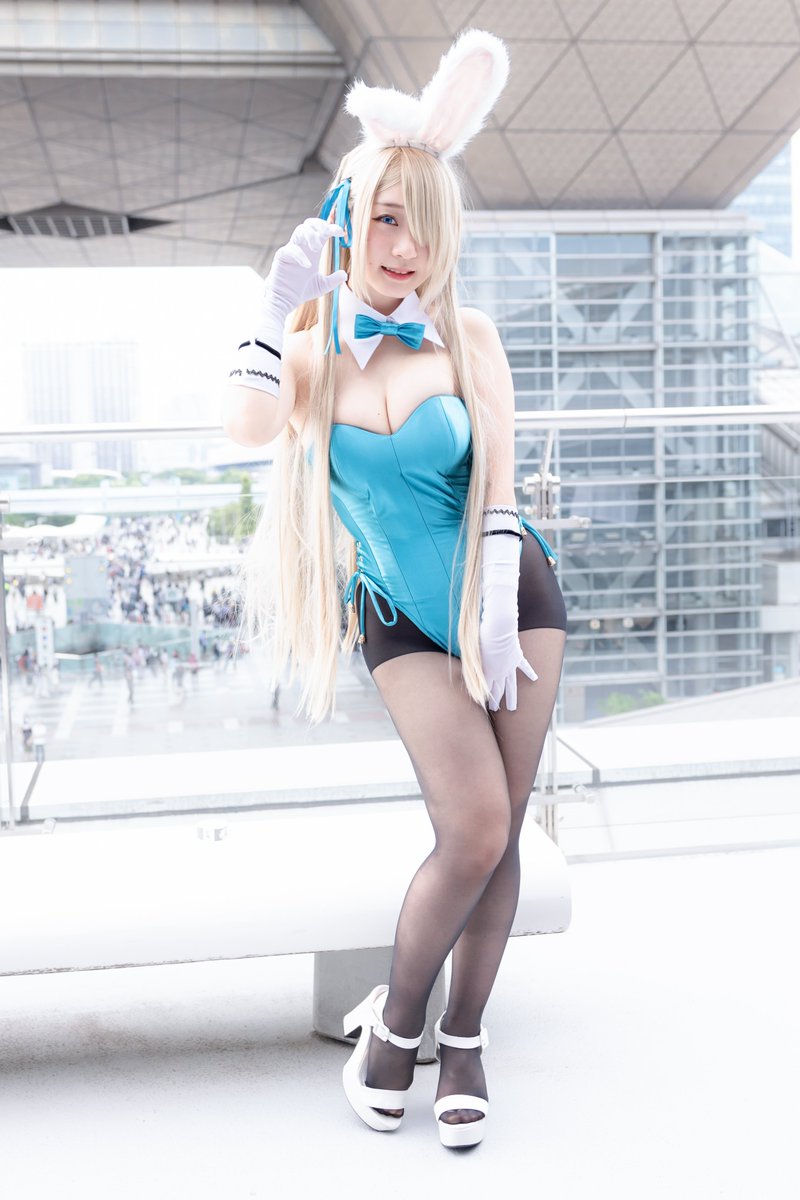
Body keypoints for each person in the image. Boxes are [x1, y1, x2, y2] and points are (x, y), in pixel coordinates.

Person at [222, 28, 567, 1150]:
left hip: (510, 600)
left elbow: (500, 483)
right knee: (472, 825)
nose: (406, 246)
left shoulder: (466, 335)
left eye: (423, 223)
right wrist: (273, 309)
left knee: (502, 832)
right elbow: (247, 427)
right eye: (383, 218)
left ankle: (461, 1038)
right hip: (396, 615)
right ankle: (398, 1020)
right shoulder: (310, 349)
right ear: (345, 217)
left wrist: (495, 605)